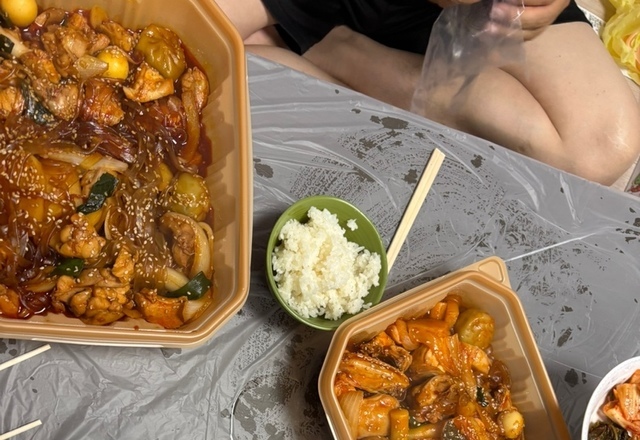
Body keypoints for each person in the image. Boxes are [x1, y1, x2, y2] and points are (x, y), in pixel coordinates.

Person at [216, 0, 640, 186]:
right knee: (193, 52)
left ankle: (339, 54)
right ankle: (316, 44)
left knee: (604, 146)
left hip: (469, 11)